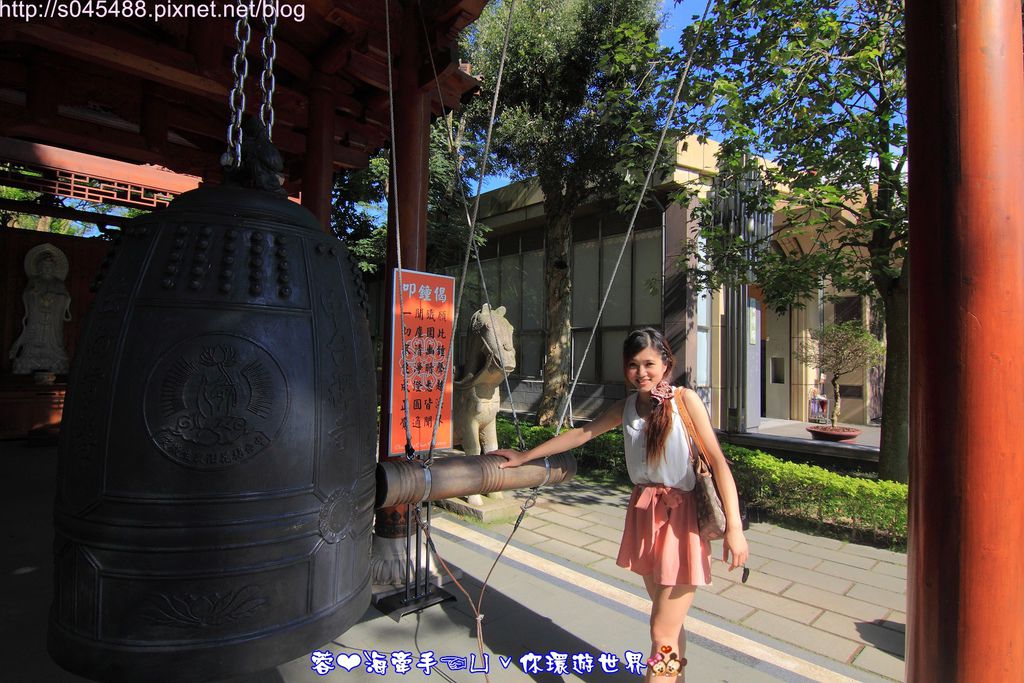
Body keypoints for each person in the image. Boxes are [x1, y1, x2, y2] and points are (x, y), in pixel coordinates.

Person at [492, 328, 748, 682]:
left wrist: (735, 529)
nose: (641, 373)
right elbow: (581, 434)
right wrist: (525, 456)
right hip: (645, 516)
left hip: (681, 520)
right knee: (668, 625)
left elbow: (718, 463)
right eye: (633, 365)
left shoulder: (684, 401)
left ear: (665, 363)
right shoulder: (625, 407)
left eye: (649, 364)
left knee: (661, 633)